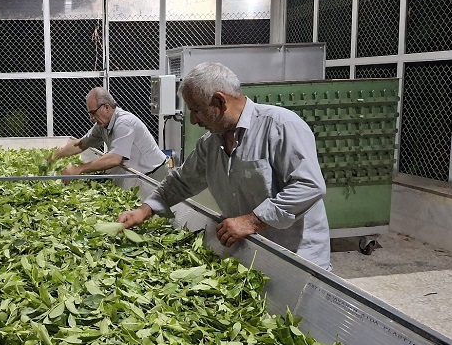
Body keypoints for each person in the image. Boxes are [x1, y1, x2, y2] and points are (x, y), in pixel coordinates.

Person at [118, 62, 331, 269]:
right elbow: (182, 182)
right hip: (252, 255)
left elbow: (309, 186)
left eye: (196, 110)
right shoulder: (210, 144)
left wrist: (252, 221)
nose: (193, 120)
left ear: (219, 101)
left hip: (296, 257)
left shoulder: (280, 126)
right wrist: (145, 210)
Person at [49, 87, 169, 180]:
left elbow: (114, 159)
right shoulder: (102, 125)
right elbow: (81, 143)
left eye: (93, 113)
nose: (91, 118)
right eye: (90, 114)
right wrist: (55, 156)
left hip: (155, 175)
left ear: (106, 107)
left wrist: (78, 169)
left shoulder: (124, 123)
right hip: (139, 175)